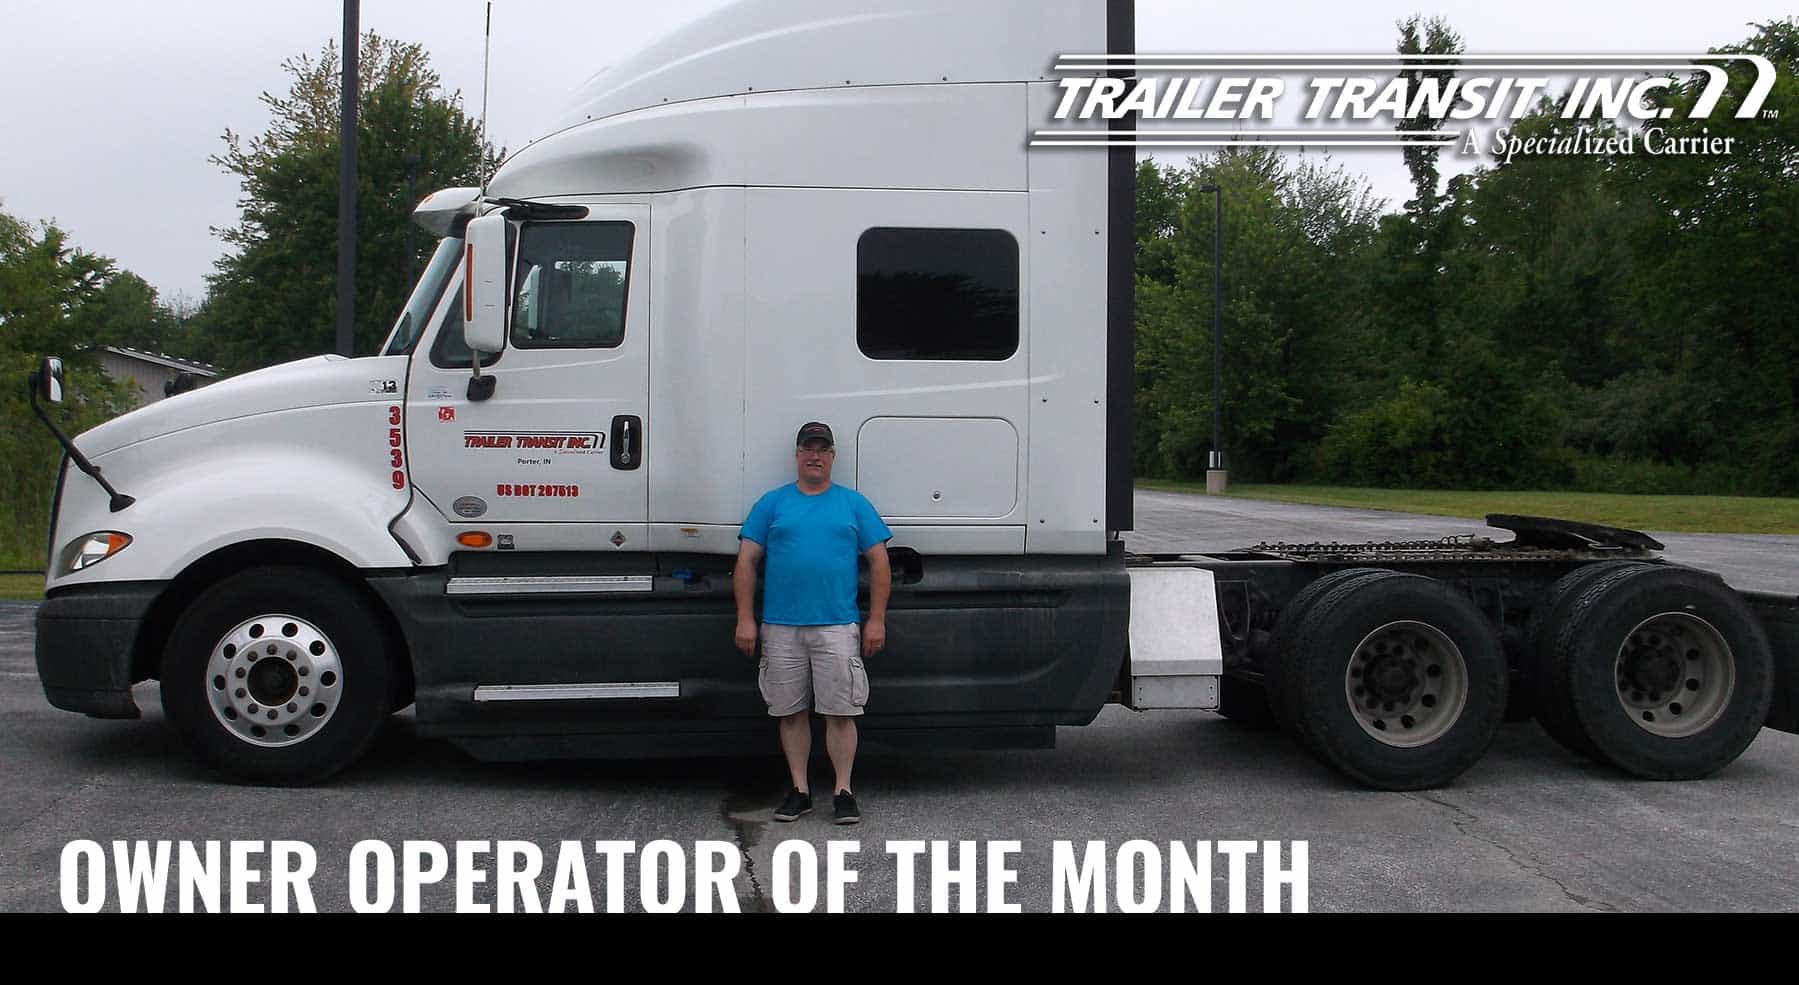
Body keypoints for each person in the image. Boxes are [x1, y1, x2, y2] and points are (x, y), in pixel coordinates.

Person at [734, 422, 892, 825]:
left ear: (833, 456)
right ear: (797, 455)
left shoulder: (853, 504)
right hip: (780, 628)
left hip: (837, 627)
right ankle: (800, 791)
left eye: (823, 449)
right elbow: (746, 561)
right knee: (790, 713)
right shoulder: (772, 504)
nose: (815, 455)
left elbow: (879, 563)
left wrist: (875, 620)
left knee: (841, 713)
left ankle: (843, 791)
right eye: (808, 448)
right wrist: (745, 619)